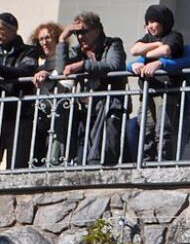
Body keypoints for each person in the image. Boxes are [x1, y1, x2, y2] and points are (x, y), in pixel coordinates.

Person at [54, 11, 126, 165]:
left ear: (97, 30)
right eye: (76, 33)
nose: (80, 37)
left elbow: (114, 65)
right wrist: (61, 40)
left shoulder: (112, 44)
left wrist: (83, 65)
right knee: (82, 154)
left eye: (84, 32)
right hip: (86, 108)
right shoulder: (77, 51)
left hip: (108, 105)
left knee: (102, 153)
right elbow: (61, 70)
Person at [128, 4, 187, 161]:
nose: (150, 26)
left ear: (164, 22)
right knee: (146, 129)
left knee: (163, 129)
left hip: (166, 91)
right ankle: (146, 161)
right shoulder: (149, 38)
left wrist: (149, 55)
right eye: (148, 22)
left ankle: (162, 161)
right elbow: (133, 50)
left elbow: (166, 51)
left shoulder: (174, 36)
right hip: (148, 91)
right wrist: (157, 44)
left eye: (154, 22)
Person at [0, 12, 39, 169]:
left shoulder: (28, 51)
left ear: (13, 30)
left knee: (16, 162)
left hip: (18, 113)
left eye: (1, 29)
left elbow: (25, 71)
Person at [29, 21, 67, 165]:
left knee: (55, 153)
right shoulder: (38, 64)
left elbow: (68, 85)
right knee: (38, 151)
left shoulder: (64, 59)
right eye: (41, 39)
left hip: (59, 112)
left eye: (48, 38)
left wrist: (49, 76)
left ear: (57, 38)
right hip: (41, 113)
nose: (44, 42)